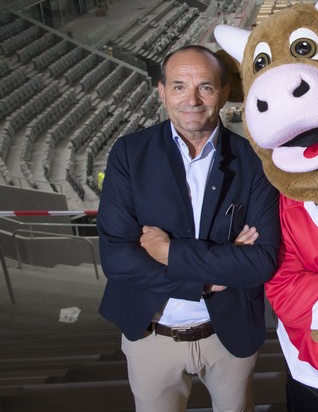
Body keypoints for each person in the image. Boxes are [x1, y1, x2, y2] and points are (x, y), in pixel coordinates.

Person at [97, 45, 280, 412]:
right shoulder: (130, 154)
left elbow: (261, 261)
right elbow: (118, 258)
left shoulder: (256, 162)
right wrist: (208, 280)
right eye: (179, 86)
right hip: (151, 334)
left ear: (225, 92)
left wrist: (170, 253)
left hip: (228, 335)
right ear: (162, 91)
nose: (192, 100)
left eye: (206, 87)